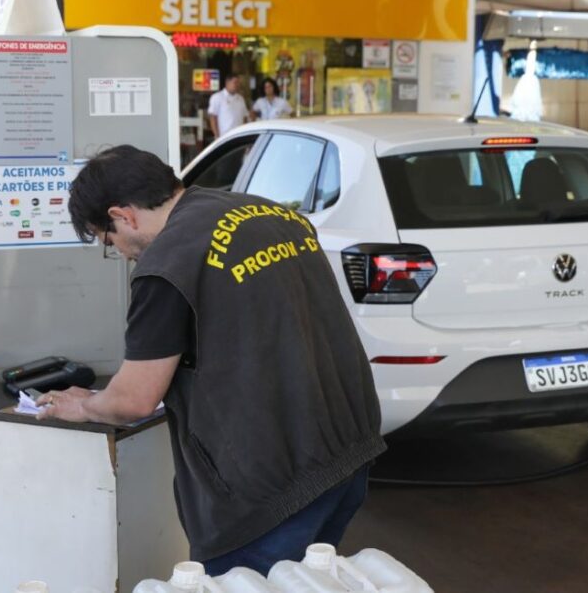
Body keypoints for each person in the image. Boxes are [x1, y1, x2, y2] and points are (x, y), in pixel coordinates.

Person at [38, 145, 385, 575]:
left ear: (123, 216)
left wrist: (85, 405)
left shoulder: (167, 263)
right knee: (309, 582)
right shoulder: (270, 213)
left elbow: (134, 400)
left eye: (110, 241)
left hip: (268, 490)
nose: (122, 253)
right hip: (346, 452)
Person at [207, 74, 250, 138]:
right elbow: (213, 117)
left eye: (238, 83)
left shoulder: (241, 99)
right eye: (235, 82)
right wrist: (216, 135)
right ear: (227, 83)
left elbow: (244, 117)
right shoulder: (217, 97)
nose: (237, 85)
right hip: (224, 137)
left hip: (239, 136)